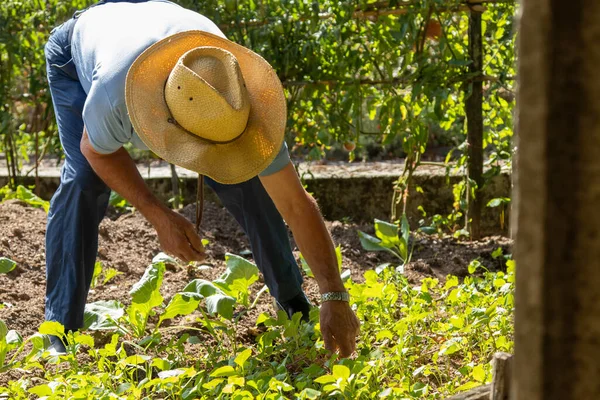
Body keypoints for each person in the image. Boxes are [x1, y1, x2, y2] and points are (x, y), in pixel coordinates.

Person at [44, 0, 360, 356]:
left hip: (152, 26)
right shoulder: (115, 94)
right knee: (85, 182)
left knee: (246, 179)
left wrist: (334, 294)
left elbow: (295, 204)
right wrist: (158, 215)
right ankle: (60, 330)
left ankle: (293, 303)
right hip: (77, 51)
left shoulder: (234, 93)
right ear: (168, 121)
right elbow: (95, 150)